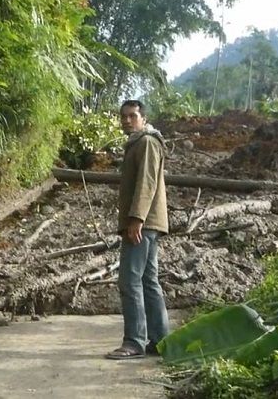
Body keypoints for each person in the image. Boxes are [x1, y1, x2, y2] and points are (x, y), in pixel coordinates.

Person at [106, 100, 170, 360]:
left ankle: (134, 341)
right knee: (147, 280)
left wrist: (136, 219)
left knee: (129, 280)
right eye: (123, 116)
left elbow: (147, 183)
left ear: (143, 118)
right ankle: (161, 340)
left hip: (143, 223)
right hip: (149, 222)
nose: (127, 120)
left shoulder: (146, 143)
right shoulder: (139, 143)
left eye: (132, 116)